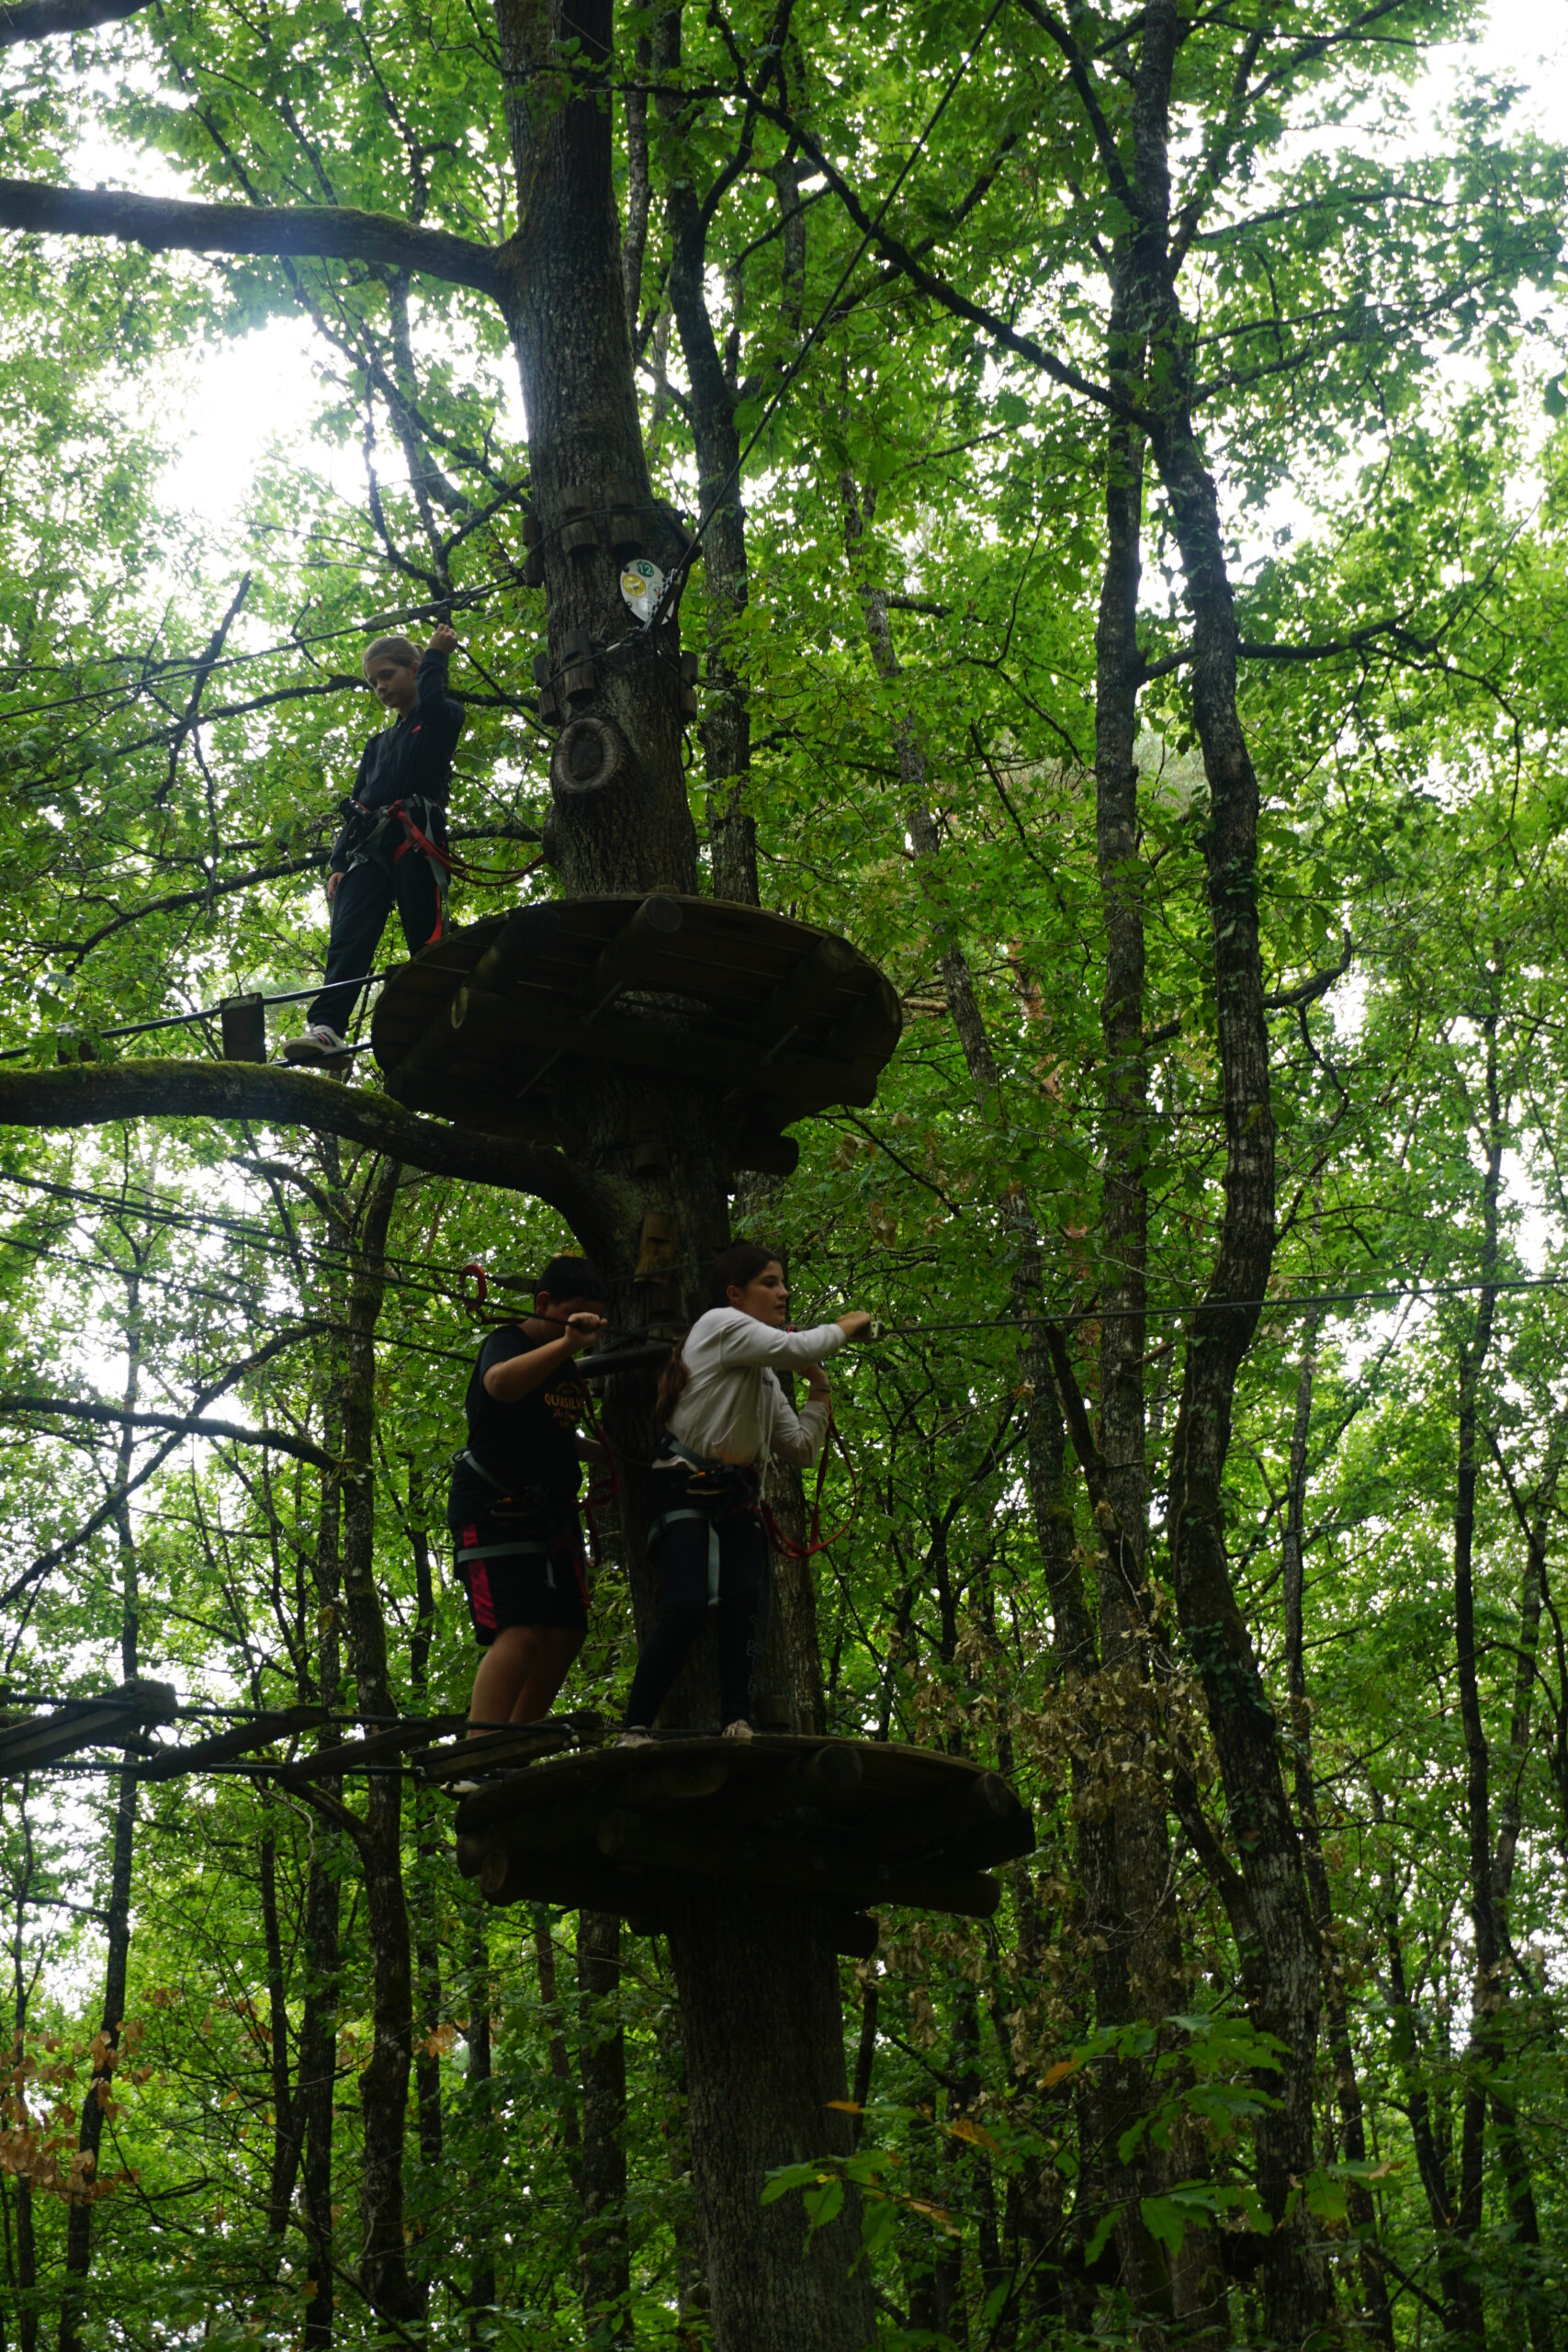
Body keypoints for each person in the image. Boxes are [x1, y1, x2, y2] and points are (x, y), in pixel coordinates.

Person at [620, 1243, 872, 1743]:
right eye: (769, 1283)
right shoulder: (717, 1324)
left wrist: (819, 1391)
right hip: (683, 1485)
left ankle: (736, 1719)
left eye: (783, 1283)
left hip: (735, 1496)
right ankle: (635, 1724)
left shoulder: (763, 1378)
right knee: (687, 1606)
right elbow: (800, 1349)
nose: (784, 1293)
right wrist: (849, 1324)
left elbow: (800, 1448)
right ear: (735, 1294)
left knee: (742, 1608)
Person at [284, 622, 464, 1067]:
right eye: (373, 681)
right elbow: (359, 803)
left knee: (424, 930)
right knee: (349, 935)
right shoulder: (377, 745)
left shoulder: (442, 715)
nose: (380, 687)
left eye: (387, 675)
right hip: (370, 844)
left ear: (415, 669)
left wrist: (437, 657)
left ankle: (441, 1007)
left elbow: (433, 707)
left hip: (416, 836)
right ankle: (327, 1028)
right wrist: (338, 862)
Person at [447, 1256, 610, 1743]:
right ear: (543, 1304)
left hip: (549, 1515)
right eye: (576, 1316)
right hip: (494, 1508)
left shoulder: (562, 1366)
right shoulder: (508, 1343)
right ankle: (478, 1750)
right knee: (520, 1631)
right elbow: (499, 1384)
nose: (585, 1330)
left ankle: (514, 1744)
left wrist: (619, 1455)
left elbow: (558, 1436)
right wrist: (567, 1344)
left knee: (566, 1631)